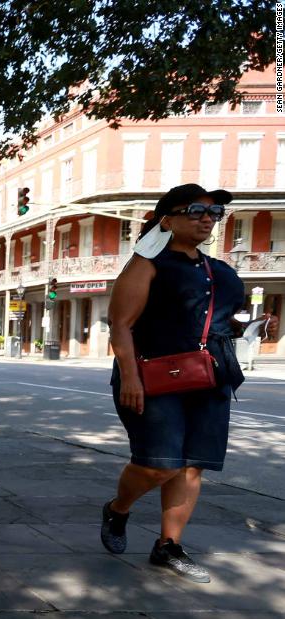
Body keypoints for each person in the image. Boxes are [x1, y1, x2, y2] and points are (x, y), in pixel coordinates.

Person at [101, 183, 277, 583]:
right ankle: (118, 509)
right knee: (158, 465)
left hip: (210, 377)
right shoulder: (148, 264)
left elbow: (220, 324)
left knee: (192, 466)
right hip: (152, 377)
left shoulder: (222, 271)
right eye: (195, 210)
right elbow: (120, 324)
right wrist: (130, 377)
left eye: (214, 213)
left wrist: (256, 325)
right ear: (167, 220)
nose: (206, 219)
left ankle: (169, 546)